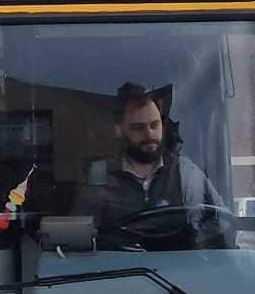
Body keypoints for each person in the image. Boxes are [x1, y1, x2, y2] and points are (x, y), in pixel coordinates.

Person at [77, 83, 232, 248]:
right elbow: (78, 237)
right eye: (138, 128)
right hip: (119, 270)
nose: (149, 134)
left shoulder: (185, 173)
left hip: (177, 269)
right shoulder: (100, 177)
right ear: (119, 130)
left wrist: (195, 246)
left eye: (154, 125)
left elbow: (222, 227)